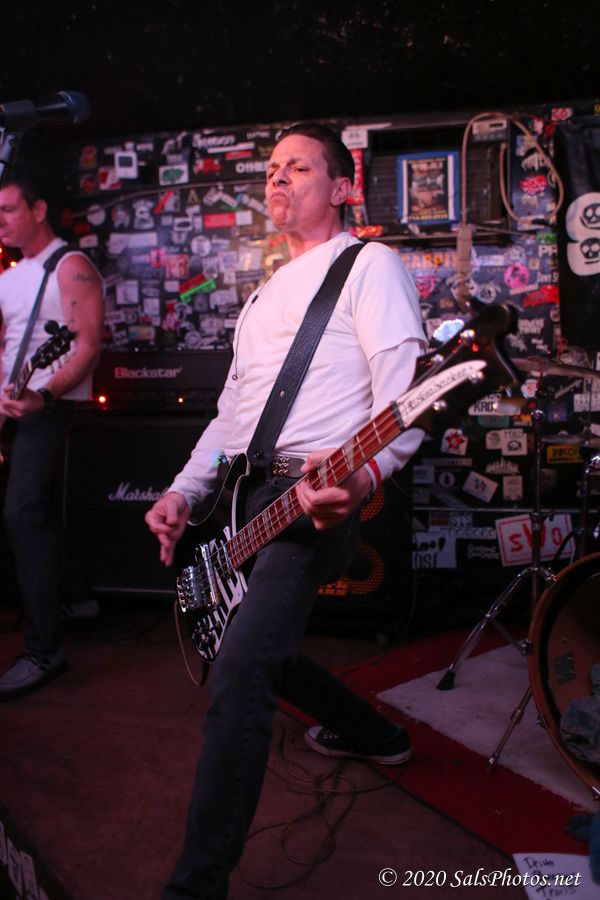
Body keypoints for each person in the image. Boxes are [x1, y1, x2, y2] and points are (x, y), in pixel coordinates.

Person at [146, 122, 427, 899]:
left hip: (317, 498)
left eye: (298, 167)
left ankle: (194, 888)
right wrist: (182, 492)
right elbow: (231, 419)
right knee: (257, 643)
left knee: (240, 671)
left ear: (341, 188)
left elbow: (408, 399)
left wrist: (364, 476)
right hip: (248, 498)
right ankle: (376, 734)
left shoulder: (369, 266)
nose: (277, 178)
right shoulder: (264, 294)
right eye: (272, 168)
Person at [0, 164, 104, 700]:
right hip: (10, 407)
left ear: (38, 210)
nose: (0, 221)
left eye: (8, 209)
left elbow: (85, 344)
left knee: (22, 514)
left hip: (48, 407)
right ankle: (76, 597)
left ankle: (44, 650)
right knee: (28, 516)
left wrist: (44, 395)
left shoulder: (70, 266)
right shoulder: (10, 275)